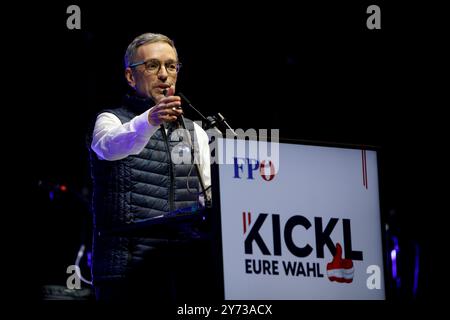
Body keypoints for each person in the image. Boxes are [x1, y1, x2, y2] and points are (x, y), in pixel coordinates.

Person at [87, 33, 213, 303]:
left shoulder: (194, 132)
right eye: (153, 66)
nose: (164, 75)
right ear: (131, 77)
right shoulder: (111, 120)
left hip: (182, 270)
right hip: (126, 271)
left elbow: (208, 197)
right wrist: (150, 120)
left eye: (171, 66)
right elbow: (108, 148)